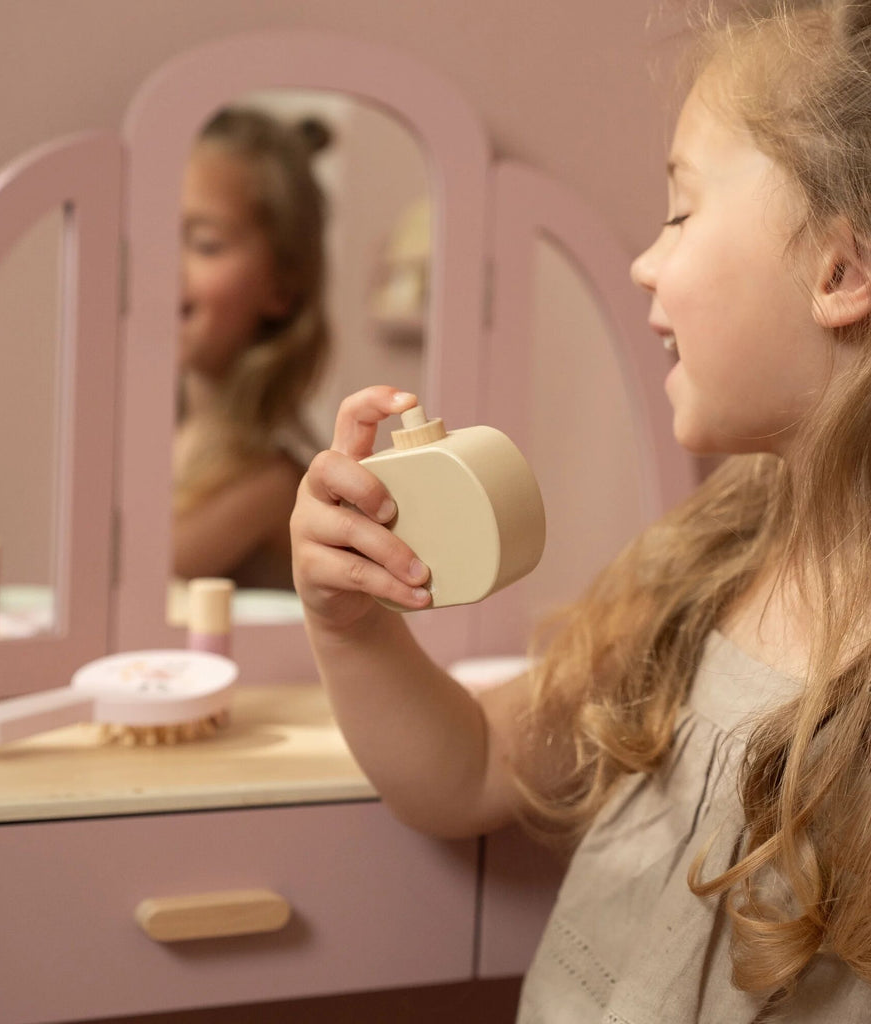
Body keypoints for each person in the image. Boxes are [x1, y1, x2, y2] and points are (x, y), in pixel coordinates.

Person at [289, 1, 871, 1019]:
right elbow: (468, 769)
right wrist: (350, 627)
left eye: (680, 213)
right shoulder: (708, 563)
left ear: (843, 270)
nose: (646, 260)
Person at [172, 106, 332, 590]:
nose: (164, 265)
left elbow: (129, 580)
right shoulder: (153, 444)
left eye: (204, 244)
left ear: (281, 287)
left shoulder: (271, 484)